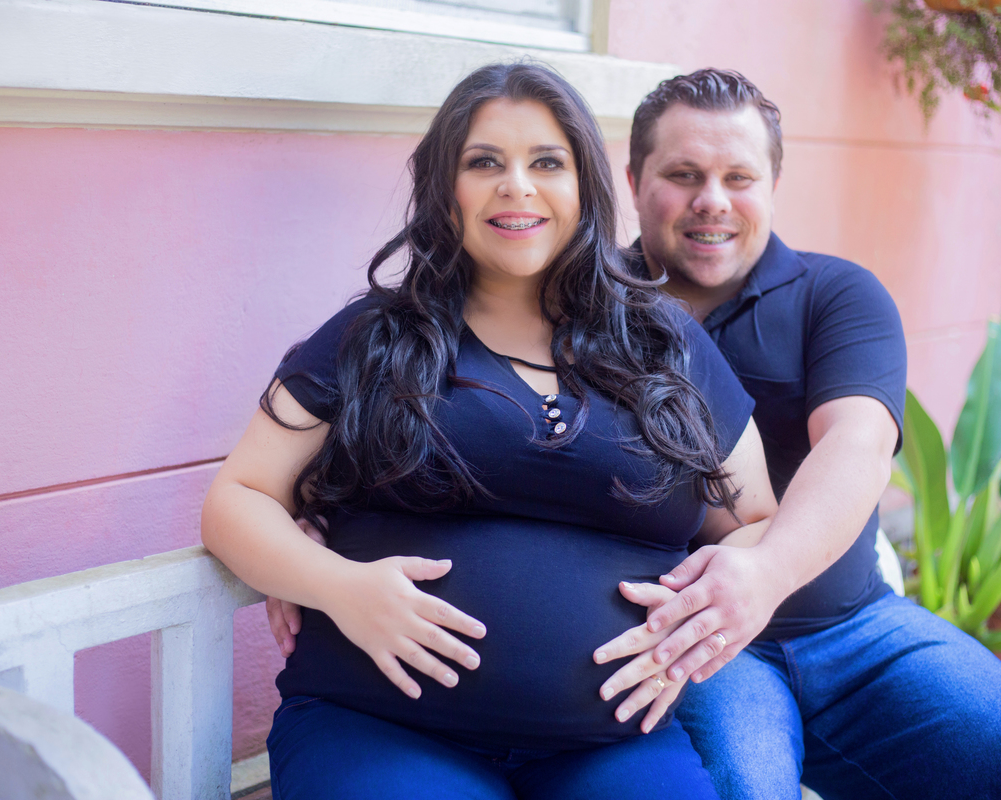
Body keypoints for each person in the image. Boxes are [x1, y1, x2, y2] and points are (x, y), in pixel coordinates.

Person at [201, 62, 779, 800]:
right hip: (382, 728)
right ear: (448, 191)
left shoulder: (664, 346)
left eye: (547, 162)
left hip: (611, 746)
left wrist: (692, 628)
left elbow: (755, 522)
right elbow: (237, 497)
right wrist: (337, 586)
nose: (517, 186)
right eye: (484, 163)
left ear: (583, 188)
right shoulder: (374, 336)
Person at [593, 69, 1001, 800]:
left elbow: (857, 445)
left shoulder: (836, 294)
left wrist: (763, 575)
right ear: (635, 179)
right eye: (683, 174)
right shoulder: (589, 310)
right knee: (741, 790)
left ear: (774, 183)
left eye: (738, 176)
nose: (711, 201)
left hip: (858, 630)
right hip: (697, 646)